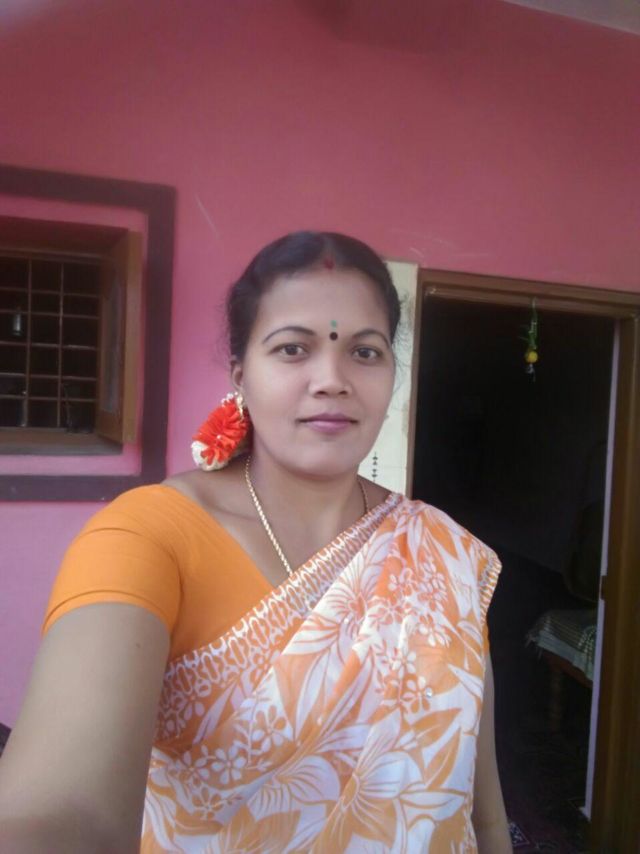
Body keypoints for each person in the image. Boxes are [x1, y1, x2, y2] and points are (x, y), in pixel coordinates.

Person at [0, 232, 511, 853]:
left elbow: (480, 813)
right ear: (241, 375)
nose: (332, 379)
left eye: (365, 351)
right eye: (293, 348)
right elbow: (64, 811)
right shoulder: (148, 536)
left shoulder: (444, 555)